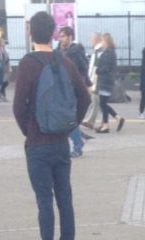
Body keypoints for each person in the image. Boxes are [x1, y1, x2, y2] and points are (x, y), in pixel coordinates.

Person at [13, 10, 89, 240]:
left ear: (30, 32)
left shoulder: (28, 63)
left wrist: (29, 129)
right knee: (65, 197)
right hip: (60, 142)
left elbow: (18, 106)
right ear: (54, 33)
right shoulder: (65, 62)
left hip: (38, 143)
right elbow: (85, 97)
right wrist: (70, 126)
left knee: (44, 199)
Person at [58, 27, 89, 156]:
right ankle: (78, 142)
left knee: (69, 118)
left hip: (73, 89)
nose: (61, 38)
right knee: (67, 117)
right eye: (60, 36)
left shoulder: (76, 51)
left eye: (63, 36)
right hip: (64, 88)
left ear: (70, 37)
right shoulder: (62, 51)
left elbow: (84, 68)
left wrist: (79, 82)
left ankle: (77, 145)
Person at [94, 33, 124, 133]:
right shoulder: (108, 52)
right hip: (106, 81)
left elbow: (105, 67)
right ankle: (114, 119)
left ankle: (107, 124)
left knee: (103, 103)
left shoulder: (108, 53)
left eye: (102, 40)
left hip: (105, 81)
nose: (101, 43)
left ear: (106, 41)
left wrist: (98, 70)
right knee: (103, 103)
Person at [81, 32, 103, 129]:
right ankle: (92, 120)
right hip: (95, 79)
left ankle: (92, 121)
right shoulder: (97, 50)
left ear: (96, 39)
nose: (91, 40)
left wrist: (89, 80)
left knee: (96, 100)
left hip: (95, 80)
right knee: (96, 100)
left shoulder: (98, 50)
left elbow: (94, 67)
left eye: (92, 38)